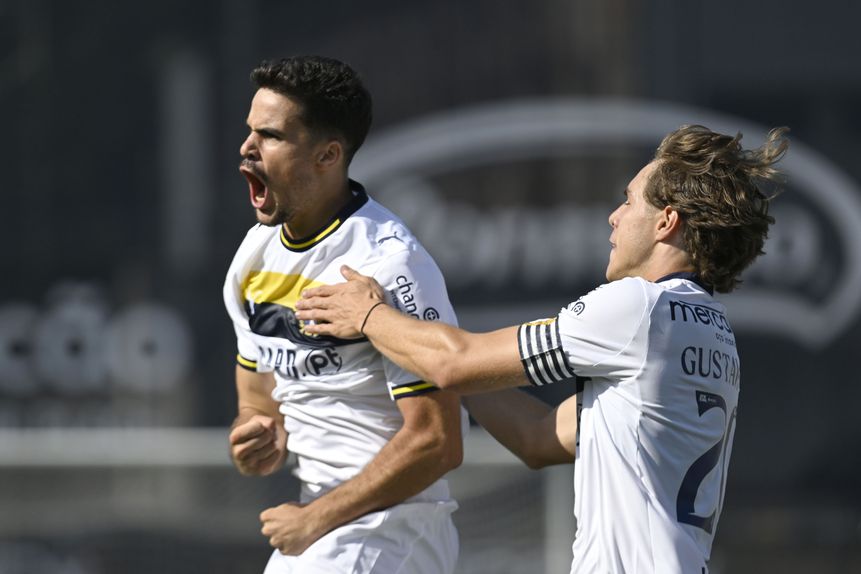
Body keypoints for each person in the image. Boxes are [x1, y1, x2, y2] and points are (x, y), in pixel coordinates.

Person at [296, 124, 789, 573]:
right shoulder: (711, 331)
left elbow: (454, 363)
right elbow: (536, 437)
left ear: (666, 222)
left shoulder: (639, 307)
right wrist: (416, 341)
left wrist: (370, 316)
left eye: (629, 201)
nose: (614, 218)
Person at [223, 56, 466, 574]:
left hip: (391, 532)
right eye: (249, 131)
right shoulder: (252, 255)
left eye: (269, 136)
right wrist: (256, 437)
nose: (246, 148)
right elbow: (258, 400)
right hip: (319, 528)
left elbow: (438, 441)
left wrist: (315, 519)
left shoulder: (390, 263)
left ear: (328, 155)